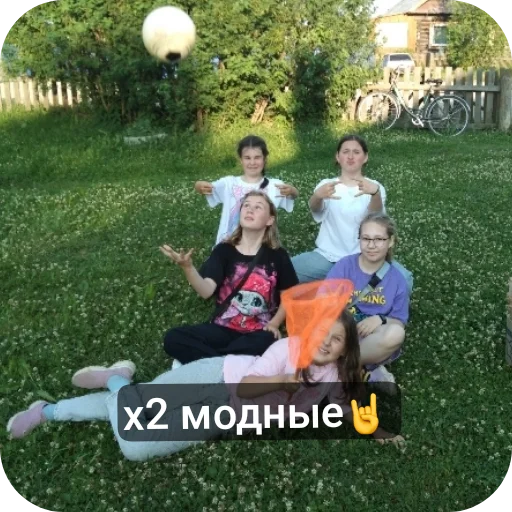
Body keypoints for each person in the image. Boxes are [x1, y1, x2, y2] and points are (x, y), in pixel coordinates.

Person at [7, 309, 405, 461]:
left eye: (336, 339)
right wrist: (284, 380)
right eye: (322, 333)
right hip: (217, 375)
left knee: (135, 444)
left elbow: (347, 407)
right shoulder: (288, 348)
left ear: (345, 350)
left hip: (220, 416)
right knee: (138, 411)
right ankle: (51, 411)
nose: (325, 343)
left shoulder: (334, 376)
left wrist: (379, 431)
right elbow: (247, 388)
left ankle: (117, 382)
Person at [161, 190, 298, 368]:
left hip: (257, 332)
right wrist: (188, 268)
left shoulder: (278, 255)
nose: (250, 209)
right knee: (173, 338)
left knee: (267, 341)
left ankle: (210, 365)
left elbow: (289, 295)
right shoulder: (223, 251)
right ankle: (230, 366)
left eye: (258, 207)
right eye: (246, 205)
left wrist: (274, 323)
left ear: (270, 220)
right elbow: (206, 291)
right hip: (222, 328)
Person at [291, 134, 412, 292]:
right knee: (284, 269)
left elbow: (376, 219)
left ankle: (345, 285)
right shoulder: (326, 185)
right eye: (345, 151)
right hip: (327, 257)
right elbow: (315, 209)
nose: (350, 156)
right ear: (338, 156)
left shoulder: (375, 186)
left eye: (356, 152)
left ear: (365, 157)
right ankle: (345, 284)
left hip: (364, 258)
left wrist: (374, 194)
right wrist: (317, 196)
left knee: (405, 279)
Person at [325, 212, 409, 384]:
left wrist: (380, 319)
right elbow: (324, 301)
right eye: (366, 239)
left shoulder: (398, 280)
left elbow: (399, 321)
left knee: (396, 333)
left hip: (370, 339)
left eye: (379, 239)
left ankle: (344, 364)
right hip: (339, 330)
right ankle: (363, 369)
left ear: (391, 241)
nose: (371, 245)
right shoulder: (345, 265)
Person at [194, 135, 298, 246]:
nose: (252, 162)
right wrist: (199, 185)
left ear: (265, 159)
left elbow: (293, 195)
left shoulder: (274, 186)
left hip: (261, 248)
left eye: (257, 157)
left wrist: (293, 191)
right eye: (247, 158)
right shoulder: (229, 183)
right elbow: (206, 188)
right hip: (228, 246)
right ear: (241, 160)